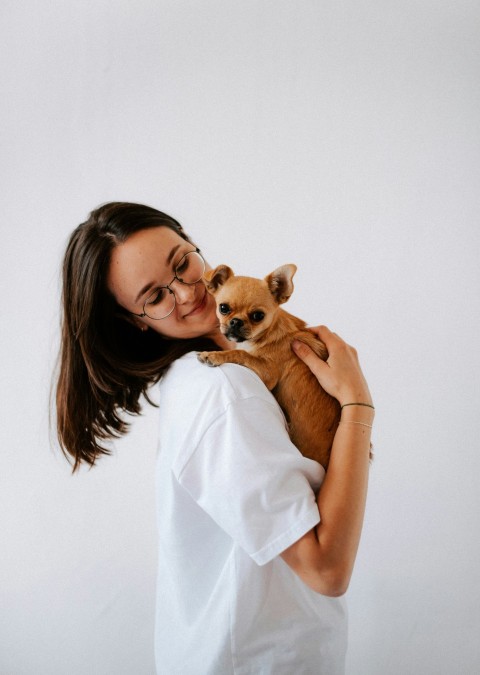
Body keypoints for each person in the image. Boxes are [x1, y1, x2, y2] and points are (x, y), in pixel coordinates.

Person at [56, 202, 374, 674]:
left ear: (196, 247)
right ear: (134, 320)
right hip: (258, 658)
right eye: (156, 296)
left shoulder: (203, 376)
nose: (187, 292)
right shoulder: (222, 389)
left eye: (183, 263)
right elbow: (327, 570)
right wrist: (358, 407)